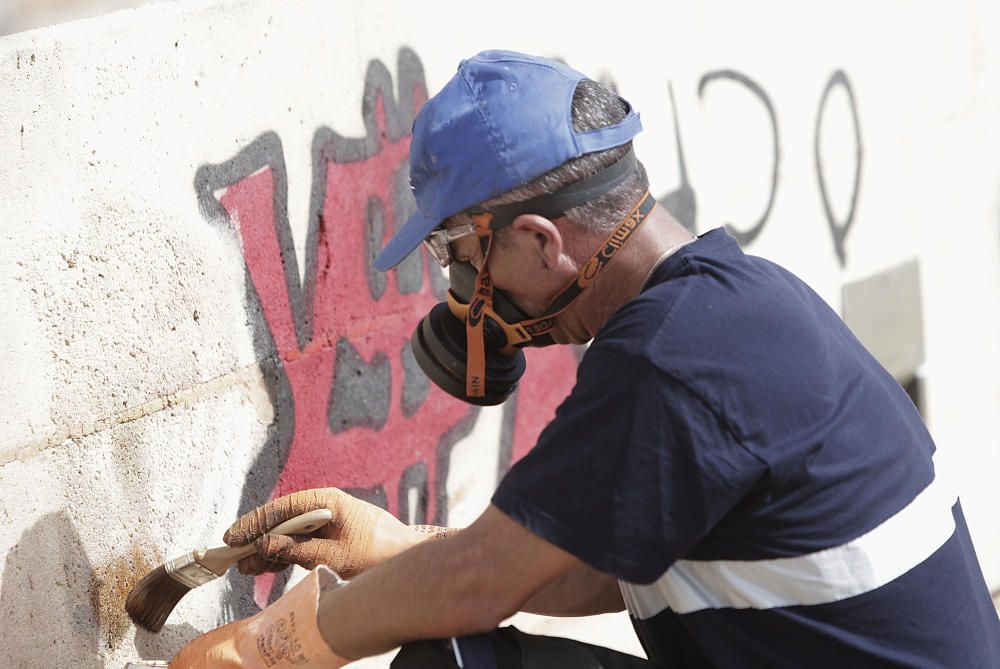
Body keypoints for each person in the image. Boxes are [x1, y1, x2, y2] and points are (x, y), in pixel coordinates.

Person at [169, 51, 1000, 668]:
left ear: (539, 241)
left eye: (462, 258)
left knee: (450, 662)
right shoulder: (730, 302)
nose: (465, 292)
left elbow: (480, 585)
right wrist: (398, 549)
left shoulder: (671, 364)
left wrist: (270, 648)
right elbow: (599, 567)